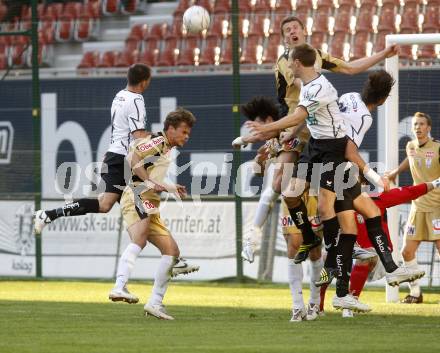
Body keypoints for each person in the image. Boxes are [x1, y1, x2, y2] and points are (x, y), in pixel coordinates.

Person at [248, 45, 423, 312]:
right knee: (302, 197)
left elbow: (337, 137)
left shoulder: (332, 91)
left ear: (297, 63)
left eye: (290, 63)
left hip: (333, 153)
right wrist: (285, 134)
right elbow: (316, 122)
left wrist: (268, 130)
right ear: (384, 99)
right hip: (325, 150)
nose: (288, 68)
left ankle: (361, 278)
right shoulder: (328, 95)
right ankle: (360, 270)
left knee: (347, 214)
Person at [236, 15, 400, 264]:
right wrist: (270, 132)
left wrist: (383, 54)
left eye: (295, 27)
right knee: (279, 182)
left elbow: (350, 68)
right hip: (296, 126)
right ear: (284, 39)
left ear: (304, 31)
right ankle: (252, 237)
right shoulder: (286, 62)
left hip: (317, 129)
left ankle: (347, 243)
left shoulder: (317, 58)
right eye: (287, 29)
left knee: (337, 188)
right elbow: (302, 96)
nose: (292, 31)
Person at [33, 63, 198, 277]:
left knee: (107, 205)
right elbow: (138, 135)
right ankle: (170, 259)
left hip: (113, 154)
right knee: (141, 208)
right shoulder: (137, 100)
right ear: (145, 81)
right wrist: (159, 140)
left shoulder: (119, 96)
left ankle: (48, 214)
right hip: (124, 158)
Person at [109, 108, 196, 320]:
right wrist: (149, 182)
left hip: (150, 201)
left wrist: (170, 187)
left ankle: (155, 303)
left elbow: (152, 177)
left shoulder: (165, 147)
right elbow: (133, 156)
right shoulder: (158, 142)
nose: (187, 136)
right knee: (139, 240)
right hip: (138, 196)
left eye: (188, 133)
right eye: (184, 131)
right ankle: (119, 286)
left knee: (172, 251)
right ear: (171, 128)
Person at [319, 179, 440, 312]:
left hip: (378, 256)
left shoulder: (375, 199)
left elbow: (408, 192)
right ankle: (317, 305)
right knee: (328, 258)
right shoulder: (338, 204)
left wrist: (435, 183)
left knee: (365, 257)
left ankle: (351, 304)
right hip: (353, 251)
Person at [386, 112, 440, 303]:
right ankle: (415, 293)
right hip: (417, 206)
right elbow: (410, 160)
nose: (418, 127)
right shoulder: (410, 146)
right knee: (406, 251)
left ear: (429, 127)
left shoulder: (437, 148)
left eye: (422, 124)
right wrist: (394, 172)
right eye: (415, 124)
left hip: (436, 206)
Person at [279, 193, 323, 322]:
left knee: (315, 251)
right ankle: (297, 306)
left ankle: (314, 302)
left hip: (314, 193)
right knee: (294, 244)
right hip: (292, 191)